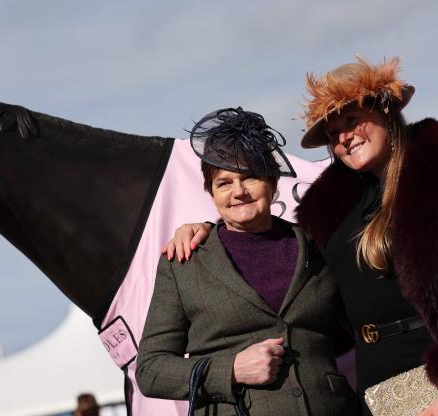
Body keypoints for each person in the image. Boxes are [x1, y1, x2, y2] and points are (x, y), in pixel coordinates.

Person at [164, 57, 438, 415]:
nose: (343, 137)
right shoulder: (336, 211)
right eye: (332, 132)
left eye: (351, 119)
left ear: (386, 111)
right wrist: (209, 231)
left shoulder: (437, 179)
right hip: (378, 389)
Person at [136, 107, 360, 415]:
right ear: (211, 193)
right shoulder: (184, 261)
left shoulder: (317, 245)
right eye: (224, 183)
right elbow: (150, 370)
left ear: (271, 183)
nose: (238, 192)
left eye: (249, 177)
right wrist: (231, 370)